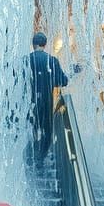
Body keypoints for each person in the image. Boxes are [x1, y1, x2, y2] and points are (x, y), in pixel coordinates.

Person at [26, 31, 68, 166]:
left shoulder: (25, 60)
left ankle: (30, 156)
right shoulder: (52, 61)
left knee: (29, 129)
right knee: (47, 131)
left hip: (29, 104)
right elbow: (62, 81)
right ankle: (40, 158)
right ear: (45, 44)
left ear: (33, 45)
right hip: (46, 102)